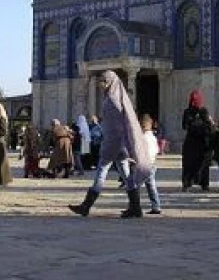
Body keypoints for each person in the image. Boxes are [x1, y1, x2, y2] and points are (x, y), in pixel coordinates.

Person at [67, 70, 152, 218]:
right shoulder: (116, 98)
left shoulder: (112, 100)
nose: (101, 84)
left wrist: (109, 143)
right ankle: (135, 207)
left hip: (113, 144)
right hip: (119, 145)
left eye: (104, 81)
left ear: (110, 82)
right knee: (126, 175)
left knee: (101, 172)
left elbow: (116, 126)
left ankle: (86, 206)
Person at [180, 90, 213, 192]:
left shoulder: (188, 111)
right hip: (200, 142)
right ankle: (204, 185)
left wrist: (192, 123)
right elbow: (208, 125)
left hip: (192, 141)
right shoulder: (203, 111)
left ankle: (187, 184)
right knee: (202, 163)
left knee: (189, 163)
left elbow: (184, 126)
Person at [136, 114, 162, 214]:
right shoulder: (153, 137)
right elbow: (157, 150)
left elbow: (139, 151)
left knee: (135, 186)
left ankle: (135, 205)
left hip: (143, 165)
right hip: (152, 164)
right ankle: (156, 206)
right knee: (151, 187)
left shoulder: (142, 138)